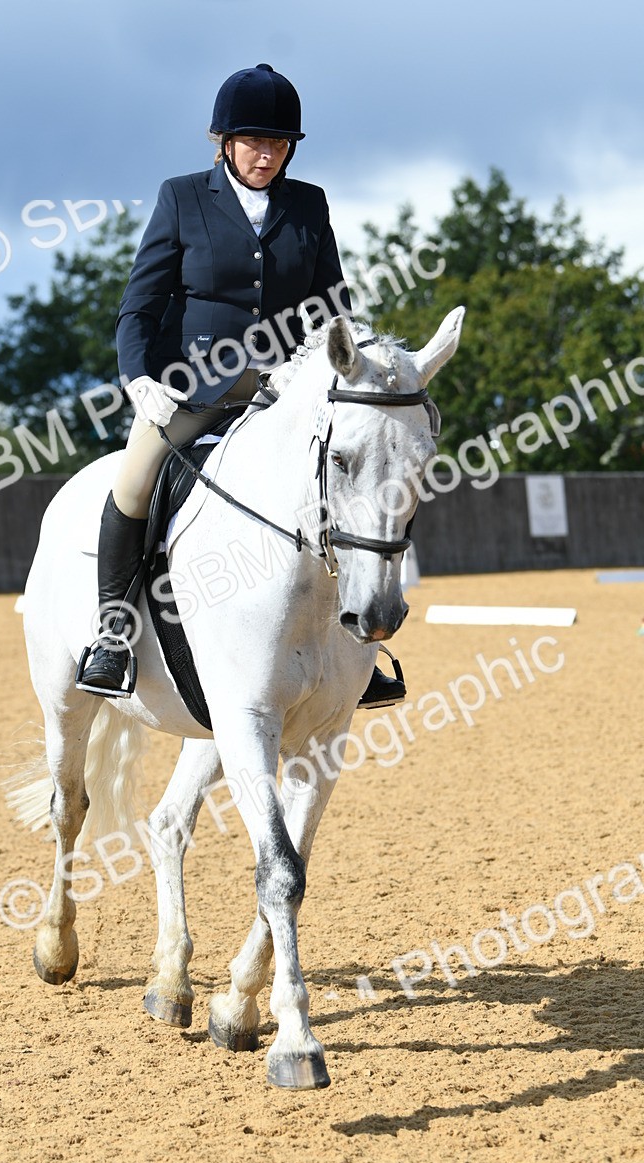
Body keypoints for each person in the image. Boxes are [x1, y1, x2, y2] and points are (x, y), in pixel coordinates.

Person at [79, 63, 405, 709]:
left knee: (343, 484)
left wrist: (342, 359)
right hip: (192, 386)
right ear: (223, 141)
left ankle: (352, 657)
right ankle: (113, 635)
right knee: (134, 481)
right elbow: (138, 306)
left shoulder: (307, 204)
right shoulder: (182, 197)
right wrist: (139, 377)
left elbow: (330, 303)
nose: (267, 155)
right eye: (255, 142)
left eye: (279, 144)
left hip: (284, 389)